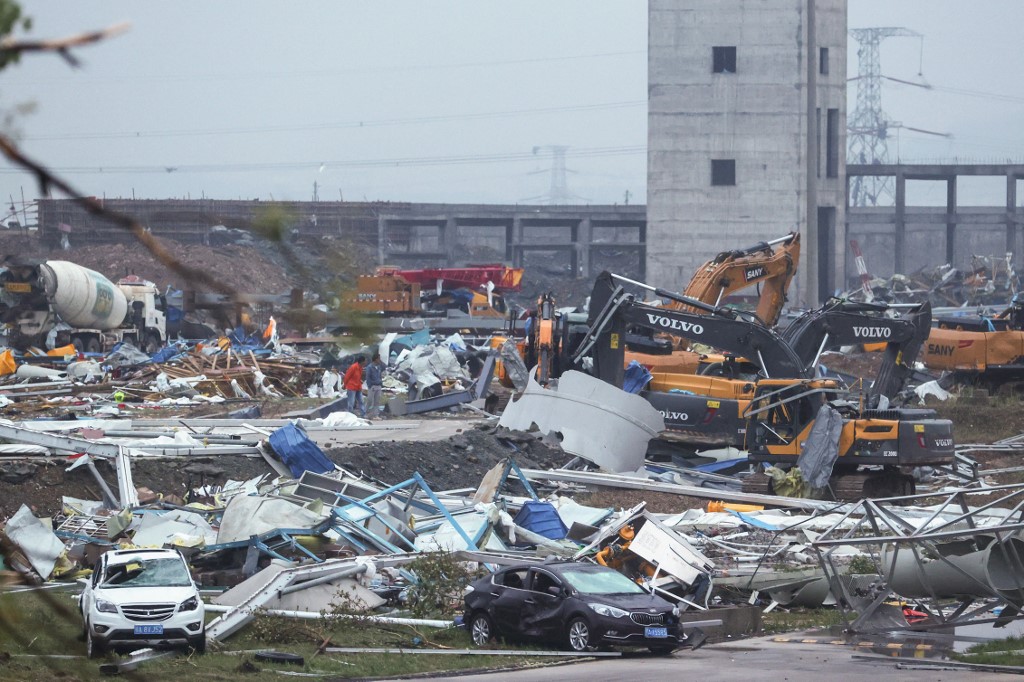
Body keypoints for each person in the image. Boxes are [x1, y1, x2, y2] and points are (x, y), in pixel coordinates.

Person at [365, 352, 385, 419]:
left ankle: (375, 415)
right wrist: (370, 385)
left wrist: (380, 383)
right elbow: (368, 377)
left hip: (378, 385)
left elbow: (381, 374)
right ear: (375, 359)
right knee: (370, 400)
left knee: (377, 401)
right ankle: (365, 413)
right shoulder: (370, 367)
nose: (380, 360)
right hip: (372, 386)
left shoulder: (379, 367)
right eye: (379, 359)